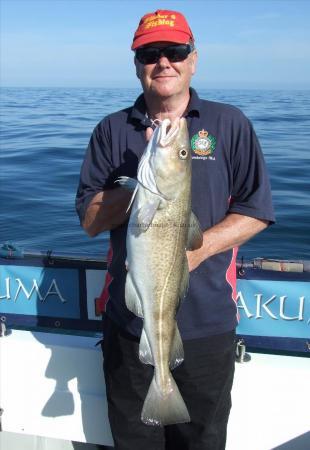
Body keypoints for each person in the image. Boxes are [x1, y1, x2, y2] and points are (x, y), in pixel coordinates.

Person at [76, 9, 275, 450]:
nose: (164, 62)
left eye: (176, 51)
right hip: (130, 327)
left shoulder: (230, 124)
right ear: (137, 64)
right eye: (150, 53)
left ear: (193, 59)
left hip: (208, 328)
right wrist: (140, 186)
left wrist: (196, 252)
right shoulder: (111, 131)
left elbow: (257, 210)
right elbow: (90, 221)